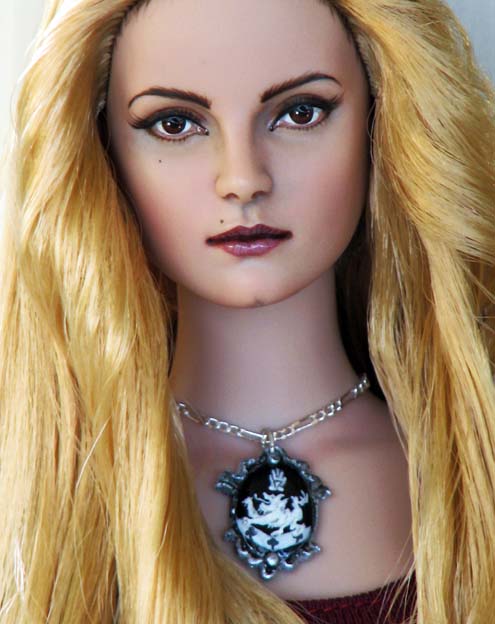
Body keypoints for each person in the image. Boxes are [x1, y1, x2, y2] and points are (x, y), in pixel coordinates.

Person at [0, 0, 494, 622]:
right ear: (104, 151)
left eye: (300, 112)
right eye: (175, 124)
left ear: (382, 121)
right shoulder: (39, 495)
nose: (242, 178)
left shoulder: (474, 470)